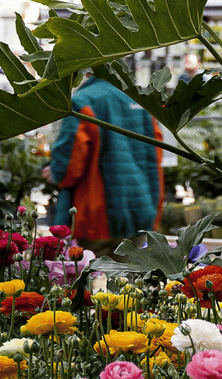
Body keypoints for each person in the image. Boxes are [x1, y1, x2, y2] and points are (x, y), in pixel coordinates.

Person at [42, 75, 164, 259]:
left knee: (92, 281)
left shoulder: (83, 100)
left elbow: (70, 163)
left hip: (98, 215)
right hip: (141, 209)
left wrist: (54, 173)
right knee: (131, 283)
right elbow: (157, 152)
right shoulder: (139, 98)